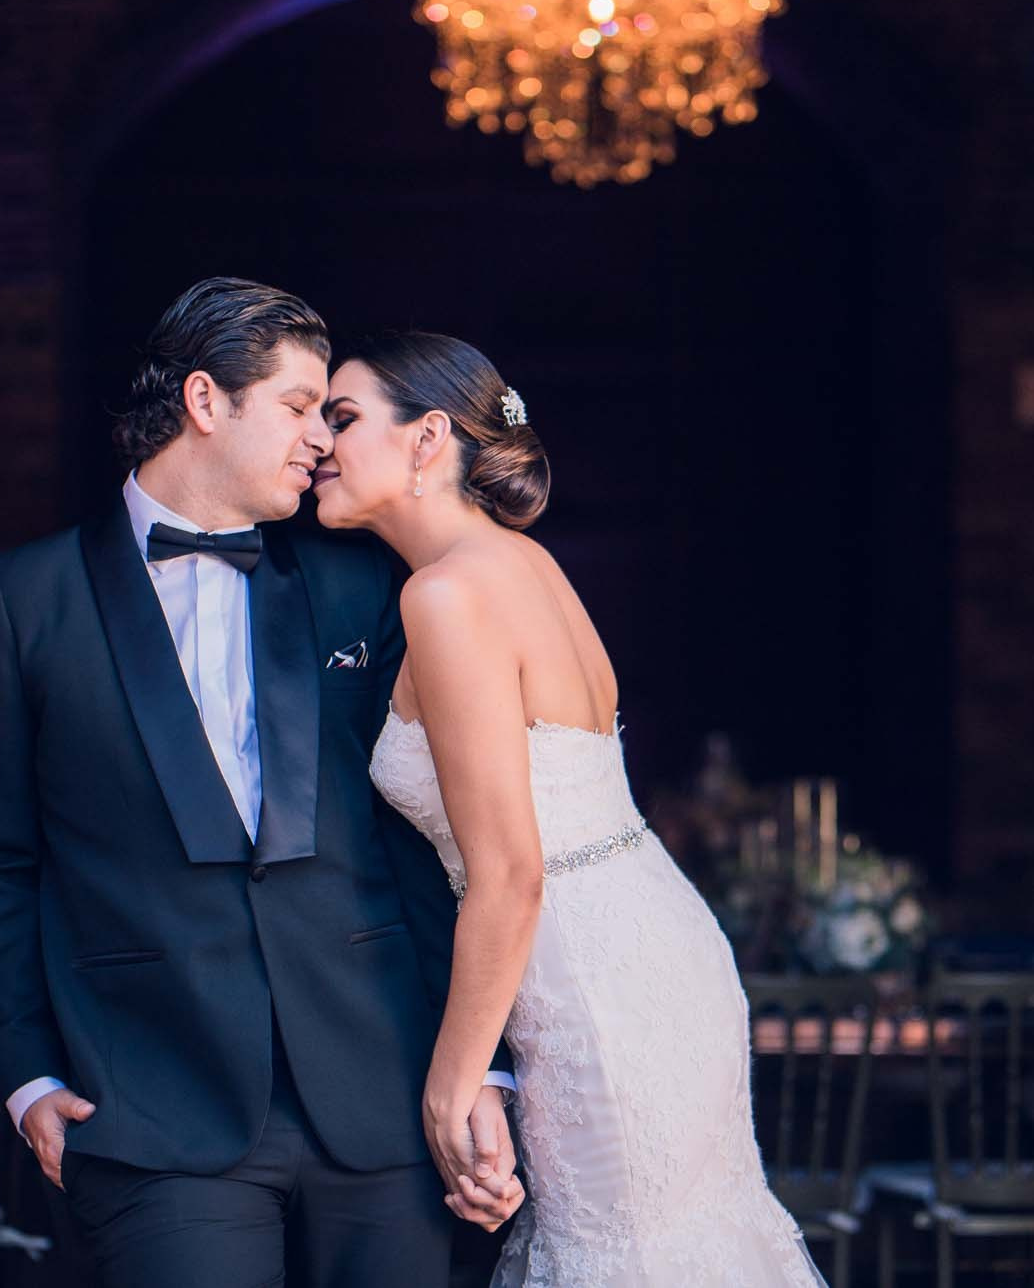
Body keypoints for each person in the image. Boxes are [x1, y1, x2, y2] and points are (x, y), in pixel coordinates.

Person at [0, 280, 521, 1288]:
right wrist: (24, 1073)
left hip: (381, 1095)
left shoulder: (363, 587)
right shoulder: (22, 597)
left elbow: (426, 839)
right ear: (204, 401)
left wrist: (482, 1066)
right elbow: (2, 855)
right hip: (146, 1104)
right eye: (299, 405)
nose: (322, 437)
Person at [313, 331, 827, 1287]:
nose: (317, 442)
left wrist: (451, 1085)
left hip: (592, 986)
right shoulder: (529, 566)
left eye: (341, 417)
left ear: (428, 439)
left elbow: (509, 873)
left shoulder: (447, 595)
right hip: (657, 948)